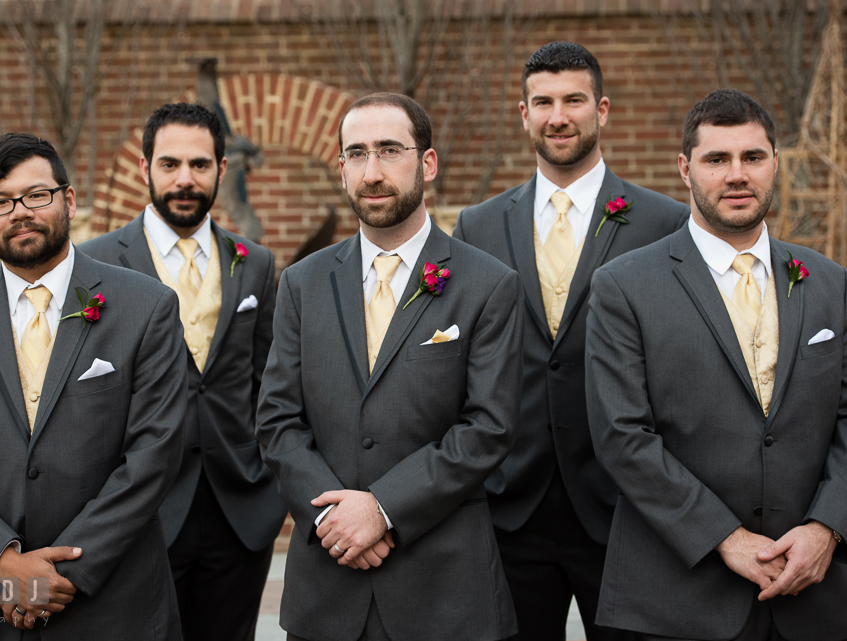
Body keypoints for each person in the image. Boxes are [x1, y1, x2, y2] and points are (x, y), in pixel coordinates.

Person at [256, 92, 524, 641]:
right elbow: (278, 422)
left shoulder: (488, 284)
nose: (372, 172)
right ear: (342, 167)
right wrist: (335, 523)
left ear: (426, 162)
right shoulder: (302, 283)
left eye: (389, 150)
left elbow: (488, 427)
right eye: (357, 154)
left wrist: (383, 508)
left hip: (446, 590)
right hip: (327, 590)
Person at [586, 88, 847, 640]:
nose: (737, 175)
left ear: (774, 162)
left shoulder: (830, 283)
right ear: (685, 169)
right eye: (716, 159)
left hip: (814, 596)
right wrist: (725, 537)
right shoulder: (623, 286)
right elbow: (621, 435)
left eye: (752, 157)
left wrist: (828, 527)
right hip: (673, 599)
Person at [453, 41, 689, 641]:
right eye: (543, 102)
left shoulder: (662, 222)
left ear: (602, 110)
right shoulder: (479, 226)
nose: (558, 115)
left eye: (574, 100)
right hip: (512, 504)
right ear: (524, 114)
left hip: (625, 505)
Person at [0, 133, 187, 639]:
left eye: (36, 195)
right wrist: (7, 563)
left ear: (69, 199)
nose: (20, 212)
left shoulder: (147, 306)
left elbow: (155, 453)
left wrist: (61, 574)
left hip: (113, 599)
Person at [80, 102, 285, 641]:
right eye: (169, 164)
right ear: (146, 167)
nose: (185, 179)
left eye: (200, 164)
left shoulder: (255, 263)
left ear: (221, 168)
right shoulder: (95, 265)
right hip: (139, 513)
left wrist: (269, 488)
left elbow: (269, 384)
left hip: (238, 511)